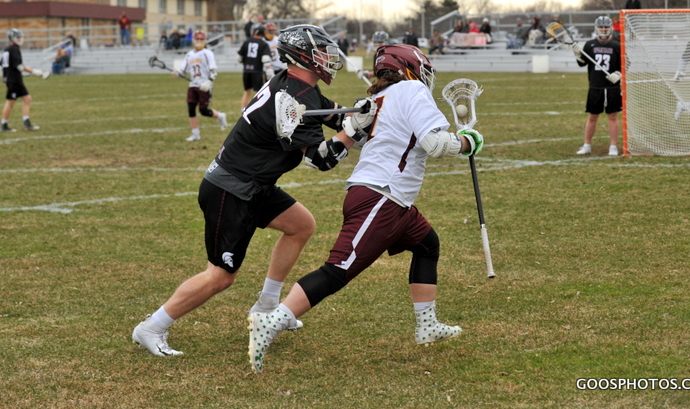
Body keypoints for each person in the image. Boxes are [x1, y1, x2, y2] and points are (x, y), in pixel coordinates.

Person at [132, 24, 376, 357]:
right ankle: (151, 327)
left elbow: (330, 114)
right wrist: (350, 133)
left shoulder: (300, 86)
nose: (328, 57)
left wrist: (357, 113)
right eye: (320, 51)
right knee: (220, 276)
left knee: (300, 225)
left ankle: (266, 308)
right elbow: (321, 160)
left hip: (253, 182)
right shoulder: (292, 96)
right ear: (301, 57)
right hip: (232, 188)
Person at [247, 43, 484, 373]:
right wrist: (467, 141)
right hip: (381, 196)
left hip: (392, 199)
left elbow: (360, 139)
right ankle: (272, 321)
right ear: (410, 68)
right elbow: (434, 144)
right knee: (338, 270)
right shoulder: (412, 89)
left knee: (428, 245)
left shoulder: (378, 100)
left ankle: (426, 325)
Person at [573, 16, 622, 157]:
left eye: (606, 27)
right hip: (595, 86)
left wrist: (618, 74)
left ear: (611, 28)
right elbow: (582, 63)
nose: (604, 29)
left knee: (612, 116)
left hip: (612, 87)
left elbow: (626, 64)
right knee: (593, 116)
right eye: (601, 27)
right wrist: (577, 55)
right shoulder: (590, 45)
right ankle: (586, 145)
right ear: (597, 28)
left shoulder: (617, 45)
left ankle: (613, 147)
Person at [174, 31, 227, 140]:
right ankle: (195, 134)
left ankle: (220, 116)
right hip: (193, 85)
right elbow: (183, 71)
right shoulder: (189, 54)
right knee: (191, 108)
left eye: (201, 39)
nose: (199, 42)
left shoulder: (207, 53)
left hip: (204, 85)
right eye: (197, 39)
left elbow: (213, 71)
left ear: (205, 41)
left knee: (203, 111)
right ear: (193, 40)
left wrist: (209, 81)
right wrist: (178, 73)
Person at [0, 29, 44, 133]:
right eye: (17, 37)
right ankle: (4, 125)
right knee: (10, 102)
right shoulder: (14, 49)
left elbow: (1, 65)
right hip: (14, 80)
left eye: (20, 37)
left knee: (27, 99)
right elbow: (19, 66)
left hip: (13, 79)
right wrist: (34, 71)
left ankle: (26, 123)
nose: (19, 39)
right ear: (12, 38)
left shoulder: (7, 49)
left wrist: (8, 72)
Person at [238, 25, 272, 109]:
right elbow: (265, 59)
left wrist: (246, 63)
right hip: (256, 71)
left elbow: (239, 57)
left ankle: (243, 110)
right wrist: (269, 70)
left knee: (247, 91)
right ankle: (256, 110)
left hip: (246, 70)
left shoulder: (247, 42)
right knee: (258, 93)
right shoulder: (263, 44)